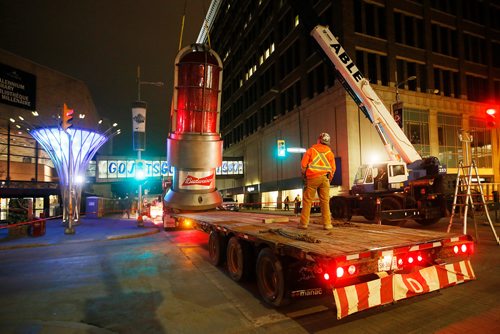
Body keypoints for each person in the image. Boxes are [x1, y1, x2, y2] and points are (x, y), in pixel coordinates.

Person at [299, 132, 336, 230]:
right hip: (325, 179)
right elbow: (333, 169)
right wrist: (329, 179)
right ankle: (327, 224)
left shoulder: (311, 151)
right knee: (325, 202)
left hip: (312, 178)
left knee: (307, 201)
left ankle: (303, 224)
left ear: (319, 140)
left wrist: (304, 176)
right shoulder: (330, 153)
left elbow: (303, 166)